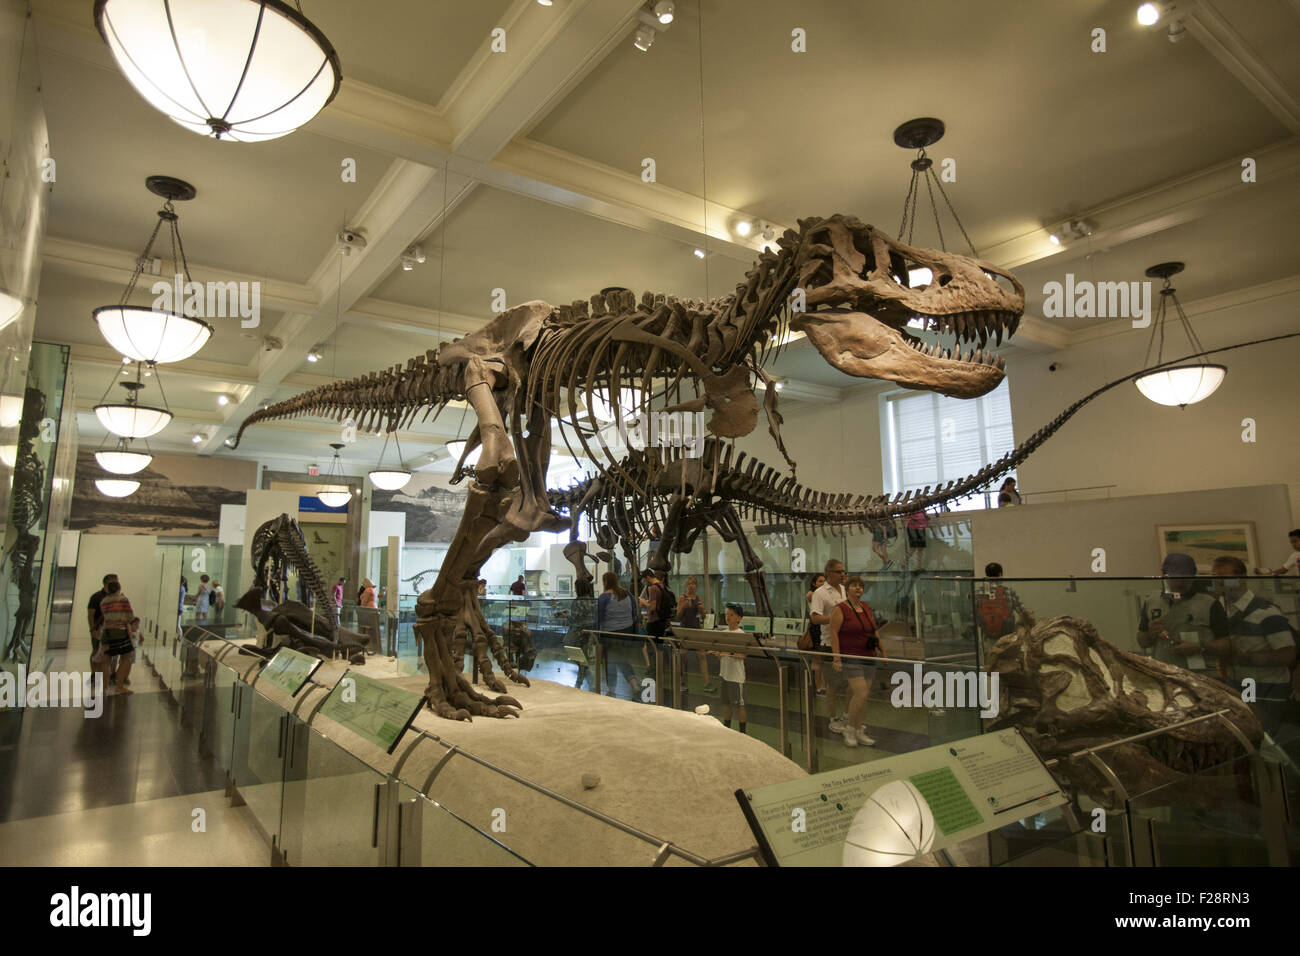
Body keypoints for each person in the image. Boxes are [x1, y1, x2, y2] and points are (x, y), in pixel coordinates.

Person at [1209, 556, 1296, 734]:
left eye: (1224, 578)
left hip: (1267, 691)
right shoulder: (1222, 611)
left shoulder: (1267, 612)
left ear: (1241, 579)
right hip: (1242, 686)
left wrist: (1246, 656)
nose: (1219, 583)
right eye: (1215, 578)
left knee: (1264, 741)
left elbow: (1287, 654)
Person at [1135, 553, 1226, 677]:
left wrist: (1200, 648)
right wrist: (1151, 634)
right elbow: (1142, 641)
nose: (1180, 583)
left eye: (1185, 577)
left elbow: (1227, 645)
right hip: (1164, 676)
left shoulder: (1210, 604)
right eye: (1175, 577)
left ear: (1193, 576)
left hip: (1203, 677)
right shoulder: (1151, 601)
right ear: (1164, 574)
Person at [828, 575, 882, 747]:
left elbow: (874, 630)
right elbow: (833, 633)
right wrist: (837, 657)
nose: (858, 588)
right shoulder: (840, 609)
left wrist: (883, 650)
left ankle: (859, 729)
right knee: (861, 692)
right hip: (851, 657)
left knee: (864, 696)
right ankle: (850, 728)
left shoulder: (865, 607)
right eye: (854, 586)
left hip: (868, 655)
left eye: (860, 586)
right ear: (847, 588)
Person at [810, 559, 848, 733]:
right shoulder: (820, 593)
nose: (842, 574)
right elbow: (815, 618)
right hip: (829, 644)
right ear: (829, 573)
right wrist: (833, 619)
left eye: (843, 571)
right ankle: (833, 718)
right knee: (832, 685)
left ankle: (848, 717)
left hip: (847, 644)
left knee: (850, 683)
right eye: (839, 572)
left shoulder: (844, 590)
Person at [597, 571, 640, 699]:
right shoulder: (627, 594)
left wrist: (596, 636)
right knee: (622, 660)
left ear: (605, 582)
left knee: (611, 662)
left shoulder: (604, 597)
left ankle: (612, 690)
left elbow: (599, 618)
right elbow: (634, 613)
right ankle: (634, 685)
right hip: (627, 633)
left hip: (611, 634)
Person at [711, 603, 747, 733]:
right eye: (726, 614)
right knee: (726, 703)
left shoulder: (741, 634)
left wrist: (728, 653)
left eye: (731, 615)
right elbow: (722, 654)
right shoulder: (723, 633)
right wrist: (719, 654)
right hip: (725, 674)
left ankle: (743, 733)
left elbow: (743, 655)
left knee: (740, 705)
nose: (728, 617)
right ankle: (727, 730)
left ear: (739, 618)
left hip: (736, 677)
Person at [97, 577, 136, 695]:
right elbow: (130, 617)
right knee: (126, 658)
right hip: (121, 632)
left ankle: (104, 688)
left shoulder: (103, 601)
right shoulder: (123, 599)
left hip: (107, 633)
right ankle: (119, 686)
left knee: (106, 660)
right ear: (119, 589)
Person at [677, 575, 714, 691]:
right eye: (689, 584)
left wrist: (702, 610)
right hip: (686, 631)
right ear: (686, 585)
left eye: (693, 583)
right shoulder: (682, 598)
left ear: (696, 586)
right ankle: (681, 682)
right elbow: (677, 616)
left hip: (696, 630)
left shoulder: (698, 598)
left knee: (702, 656)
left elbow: (703, 617)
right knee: (683, 657)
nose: (691, 586)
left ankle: (706, 683)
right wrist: (683, 607)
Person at [977, 562, 1026, 644]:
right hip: (1007, 638)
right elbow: (1022, 612)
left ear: (987, 574)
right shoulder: (1008, 591)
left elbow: (976, 615)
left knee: (990, 655)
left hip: (988, 637)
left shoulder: (979, 592)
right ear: (1000, 574)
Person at [803, 573, 828, 696]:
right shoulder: (811, 594)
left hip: (824, 628)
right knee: (817, 660)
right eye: (820, 581)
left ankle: (821, 685)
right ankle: (819, 687)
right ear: (814, 583)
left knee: (821, 660)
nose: (823, 583)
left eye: (824, 581)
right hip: (816, 628)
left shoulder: (823, 593)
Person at [87, 572, 117, 670]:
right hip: (99, 630)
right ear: (107, 584)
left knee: (113, 654)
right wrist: (92, 630)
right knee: (96, 652)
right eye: (115, 582)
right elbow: (90, 615)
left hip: (113, 630)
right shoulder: (96, 597)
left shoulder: (117, 597)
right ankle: (94, 675)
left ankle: (111, 675)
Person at [639, 568, 669, 639]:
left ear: (648, 578)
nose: (645, 583)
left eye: (644, 580)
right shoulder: (662, 585)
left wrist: (644, 602)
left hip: (654, 622)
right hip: (662, 620)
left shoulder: (653, 588)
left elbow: (652, 607)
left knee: (651, 646)